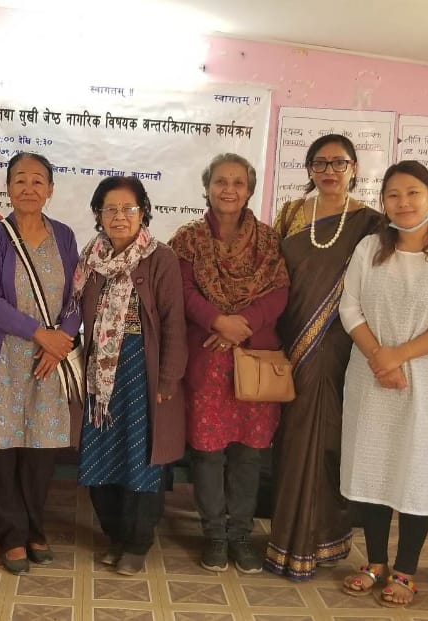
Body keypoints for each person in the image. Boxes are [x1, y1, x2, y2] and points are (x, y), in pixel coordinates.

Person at [337, 161, 428, 607]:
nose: (403, 203)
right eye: (393, 195)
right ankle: (375, 562)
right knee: (373, 466)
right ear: (383, 202)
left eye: (413, 192)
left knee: (417, 468)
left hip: (427, 379)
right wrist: (379, 358)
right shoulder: (369, 249)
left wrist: (396, 356)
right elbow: (349, 308)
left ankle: (406, 570)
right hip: (370, 374)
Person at [265, 135, 383, 581]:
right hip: (289, 343)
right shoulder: (291, 214)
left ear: (354, 168)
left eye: (339, 163)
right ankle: (286, 541)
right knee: (293, 440)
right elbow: (272, 275)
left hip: (340, 346)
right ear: (309, 169)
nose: (329, 171)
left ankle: (323, 539)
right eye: (320, 163)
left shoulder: (371, 223)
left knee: (329, 439)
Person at [169, 153, 288, 574]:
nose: (229, 189)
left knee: (249, 454)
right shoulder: (188, 240)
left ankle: (241, 535)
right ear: (207, 187)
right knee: (208, 453)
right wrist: (219, 321)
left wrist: (242, 325)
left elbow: (279, 292)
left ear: (250, 190)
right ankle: (215, 536)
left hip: (253, 358)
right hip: (208, 358)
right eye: (221, 181)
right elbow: (183, 292)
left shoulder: (269, 241)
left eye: (238, 182)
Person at [0, 151, 81, 575]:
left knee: (41, 451)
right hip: (5, 359)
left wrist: (59, 342)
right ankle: (10, 535)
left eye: (37, 180)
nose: (29, 188)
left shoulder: (64, 236)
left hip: (49, 361)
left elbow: (77, 297)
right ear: (8, 188)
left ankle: (35, 528)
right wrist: (39, 334)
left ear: (50, 189)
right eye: (20, 180)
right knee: (4, 450)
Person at [74, 176, 187, 576]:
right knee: (101, 455)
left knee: (140, 458)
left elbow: (174, 322)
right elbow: (72, 311)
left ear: (143, 213)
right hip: (100, 378)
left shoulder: (161, 258)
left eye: (128, 208)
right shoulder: (90, 259)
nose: (119, 216)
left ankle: (138, 542)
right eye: (110, 209)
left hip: (144, 371)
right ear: (98, 214)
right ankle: (115, 536)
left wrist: (168, 380)